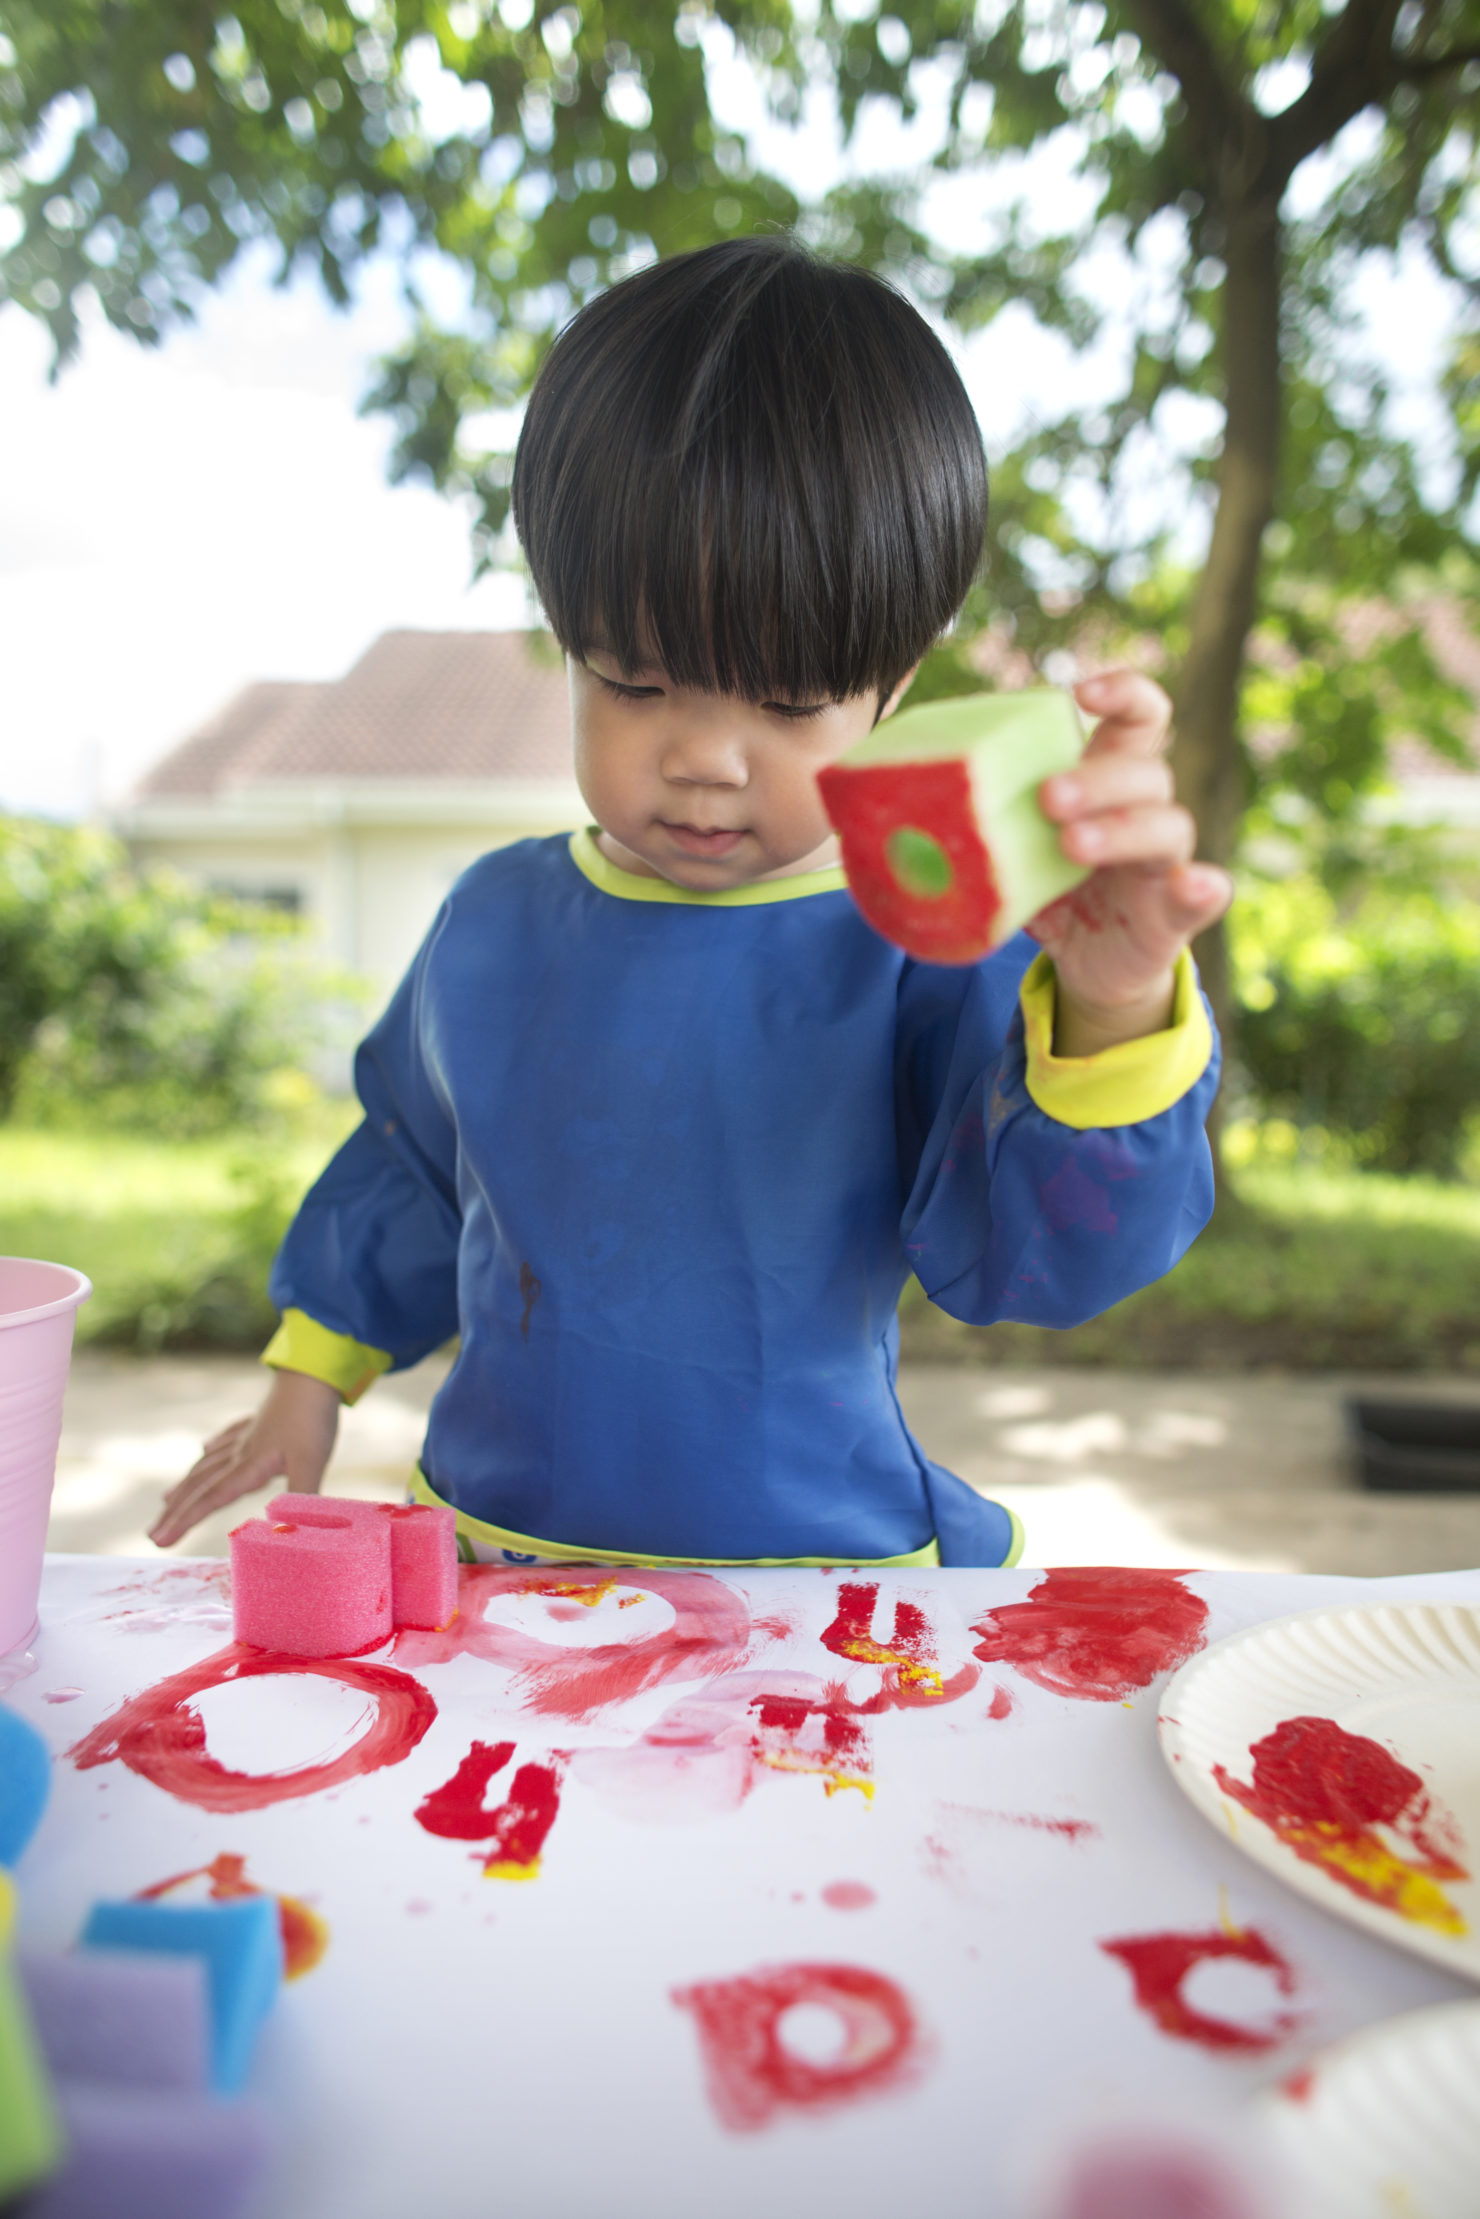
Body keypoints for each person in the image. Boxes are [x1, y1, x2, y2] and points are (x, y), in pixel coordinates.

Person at [151, 236, 1230, 1568]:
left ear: (894, 683)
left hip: (812, 1583)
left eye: (787, 704)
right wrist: (305, 1384)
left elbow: (1037, 1261)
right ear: (565, 638)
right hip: (494, 1552)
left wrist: (1114, 1002)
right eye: (634, 680)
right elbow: (412, 1172)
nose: (705, 757)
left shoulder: (917, 947)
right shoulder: (493, 921)